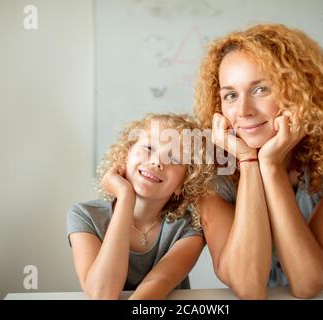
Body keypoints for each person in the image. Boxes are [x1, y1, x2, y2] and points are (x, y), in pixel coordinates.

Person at [194, 23, 323, 299]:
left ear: (297, 90)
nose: (243, 111)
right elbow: (247, 285)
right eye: (230, 95)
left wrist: (271, 167)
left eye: (260, 90)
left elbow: (309, 284)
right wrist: (249, 162)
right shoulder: (205, 168)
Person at [67, 113, 214, 299]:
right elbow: (102, 293)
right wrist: (126, 197)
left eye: (175, 159)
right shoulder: (84, 216)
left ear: (182, 183)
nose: (157, 162)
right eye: (149, 147)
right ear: (125, 155)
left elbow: (158, 283)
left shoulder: (189, 228)